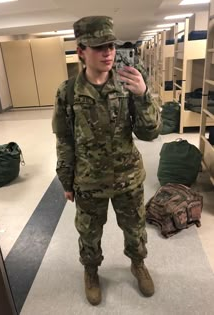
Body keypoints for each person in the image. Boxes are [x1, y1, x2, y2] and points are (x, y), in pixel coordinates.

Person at [52, 16, 161, 306]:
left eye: (110, 45)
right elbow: (64, 140)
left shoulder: (129, 82)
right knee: (89, 232)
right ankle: (91, 271)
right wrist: (67, 179)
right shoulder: (68, 91)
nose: (108, 52)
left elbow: (149, 133)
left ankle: (138, 263)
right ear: (81, 51)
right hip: (89, 180)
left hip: (128, 177)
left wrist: (144, 96)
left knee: (135, 227)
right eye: (99, 46)